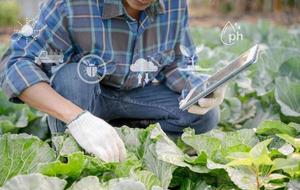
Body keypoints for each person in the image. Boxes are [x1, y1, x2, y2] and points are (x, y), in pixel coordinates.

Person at [0, 0, 225, 163]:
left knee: (205, 115)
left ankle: (122, 139)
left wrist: (199, 86)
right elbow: (16, 62)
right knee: (73, 76)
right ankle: (74, 148)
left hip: (138, 95)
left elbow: (177, 63)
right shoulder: (69, 5)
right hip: (87, 97)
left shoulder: (175, 5)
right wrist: (77, 118)